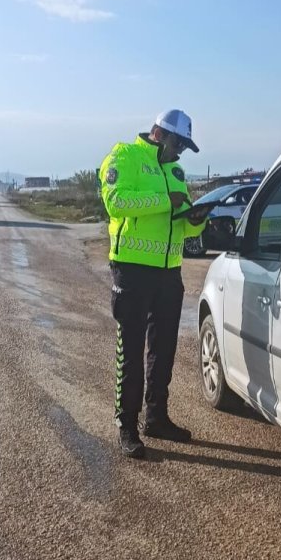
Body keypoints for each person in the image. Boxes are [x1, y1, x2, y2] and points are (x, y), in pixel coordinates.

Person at [99, 109, 208, 458]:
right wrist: (164, 201)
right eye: (179, 144)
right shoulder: (124, 156)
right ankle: (127, 426)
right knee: (130, 351)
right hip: (131, 270)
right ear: (160, 134)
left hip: (168, 272)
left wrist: (196, 220)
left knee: (163, 351)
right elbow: (115, 203)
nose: (181, 154)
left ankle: (157, 417)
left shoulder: (175, 170)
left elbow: (182, 224)